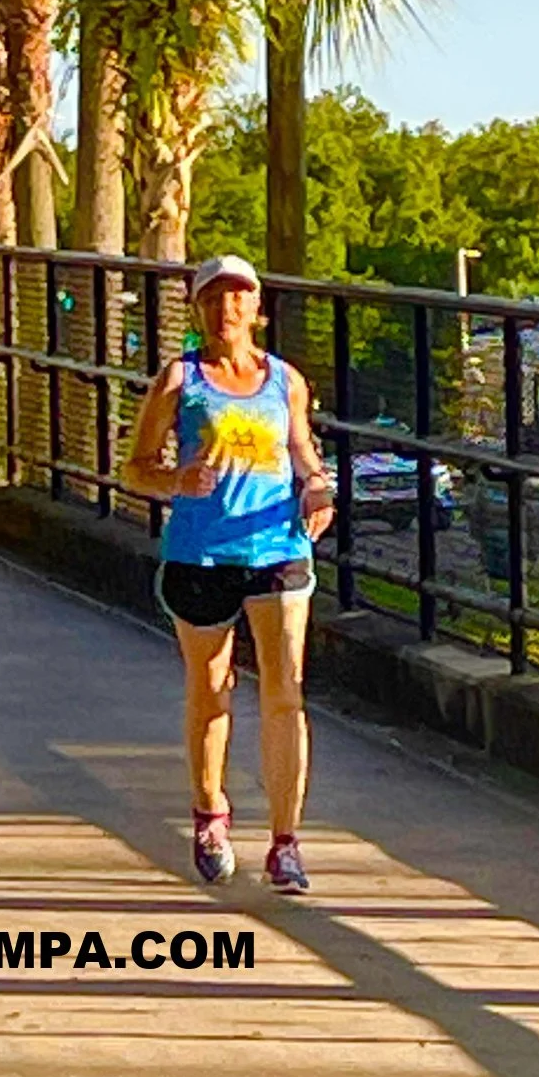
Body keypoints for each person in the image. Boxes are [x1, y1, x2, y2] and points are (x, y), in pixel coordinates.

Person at [122, 255, 335, 894]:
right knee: (212, 689)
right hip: (201, 553)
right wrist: (175, 480)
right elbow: (135, 466)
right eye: (214, 298)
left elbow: (301, 450)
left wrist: (317, 489)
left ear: (257, 307)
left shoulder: (284, 380)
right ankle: (211, 809)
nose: (227, 309)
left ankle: (285, 841)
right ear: (199, 309)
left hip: (276, 548)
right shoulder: (180, 380)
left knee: (285, 691)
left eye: (239, 296)